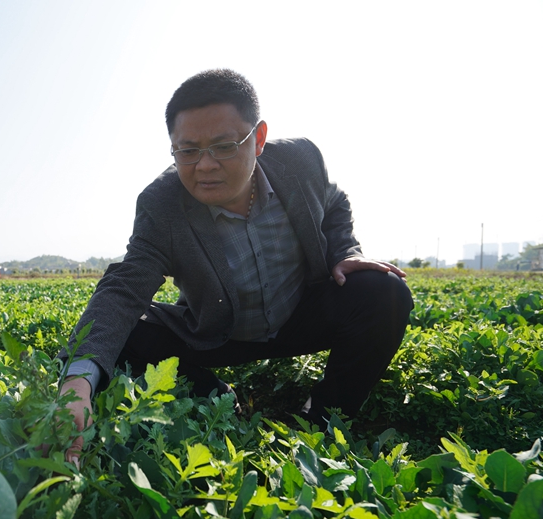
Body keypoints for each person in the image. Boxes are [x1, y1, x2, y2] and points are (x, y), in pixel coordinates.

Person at [59, 69, 412, 463]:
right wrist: (77, 383)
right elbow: (124, 287)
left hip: (299, 312)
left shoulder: (300, 160)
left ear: (258, 139)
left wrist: (345, 251)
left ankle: (323, 418)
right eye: (187, 151)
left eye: (224, 146)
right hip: (219, 332)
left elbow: (334, 201)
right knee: (124, 336)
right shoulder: (162, 204)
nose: (205, 165)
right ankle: (217, 397)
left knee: (385, 292)